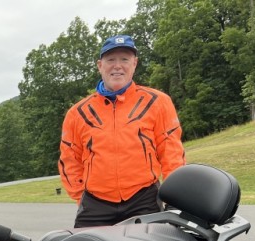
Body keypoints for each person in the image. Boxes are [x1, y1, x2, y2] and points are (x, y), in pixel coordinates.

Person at [59, 34, 185, 228]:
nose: (117, 66)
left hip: (144, 200)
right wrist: (81, 197)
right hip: (95, 205)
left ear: (134, 64)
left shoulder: (158, 102)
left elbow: (172, 153)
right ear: (100, 65)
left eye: (124, 59)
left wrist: (175, 197)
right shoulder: (77, 113)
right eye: (111, 60)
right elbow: (69, 160)